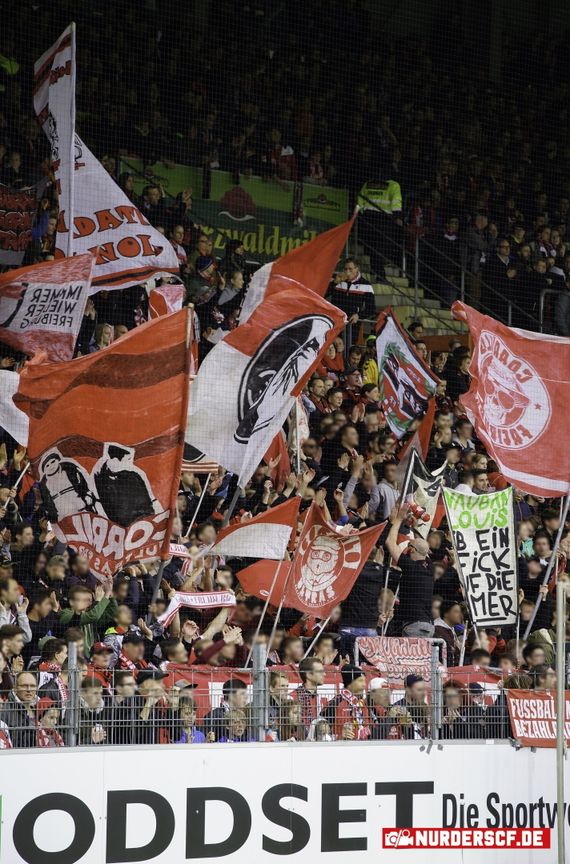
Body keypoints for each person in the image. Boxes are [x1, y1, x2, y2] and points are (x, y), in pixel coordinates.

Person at [386, 504, 434, 637]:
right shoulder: (430, 567)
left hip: (413, 626)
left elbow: (390, 543)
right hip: (428, 626)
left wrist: (399, 519)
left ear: (412, 550)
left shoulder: (411, 567)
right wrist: (414, 527)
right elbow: (423, 547)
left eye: (409, 545)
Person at [330, 663, 371, 740]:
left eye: (364, 681)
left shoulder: (363, 704)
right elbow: (320, 731)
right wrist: (340, 737)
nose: (364, 685)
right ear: (350, 682)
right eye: (360, 681)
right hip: (341, 746)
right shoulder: (336, 702)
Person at [292, 657, 324, 731]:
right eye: (320, 672)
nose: (324, 674)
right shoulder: (293, 697)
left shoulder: (319, 697)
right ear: (309, 675)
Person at [433, 600, 463, 665]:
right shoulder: (438, 630)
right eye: (456, 612)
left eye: (460, 612)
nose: (460, 615)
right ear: (446, 614)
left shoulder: (450, 629)